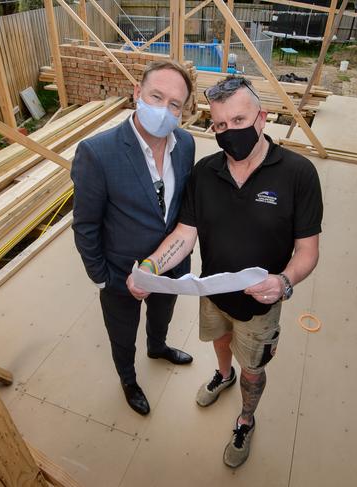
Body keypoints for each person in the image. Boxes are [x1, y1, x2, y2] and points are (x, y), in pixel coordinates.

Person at [126, 75, 323, 467]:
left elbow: (307, 251)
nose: (229, 132)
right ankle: (222, 374)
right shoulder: (204, 174)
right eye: (219, 125)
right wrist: (149, 268)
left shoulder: (298, 174)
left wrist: (284, 281)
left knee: (253, 367)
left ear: (262, 118)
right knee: (219, 342)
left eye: (238, 121)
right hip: (212, 293)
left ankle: (246, 417)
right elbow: (185, 234)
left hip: (261, 303)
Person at [71, 60, 196, 416]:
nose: (165, 109)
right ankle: (128, 378)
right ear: (137, 93)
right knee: (123, 334)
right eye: (157, 96)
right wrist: (104, 278)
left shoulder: (185, 145)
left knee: (162, 315)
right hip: (120, 274)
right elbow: (86, 226)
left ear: (183, 111)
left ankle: (158, 348)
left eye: (175, 104)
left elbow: (180, 211)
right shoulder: (98, 153)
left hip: (169, 267)